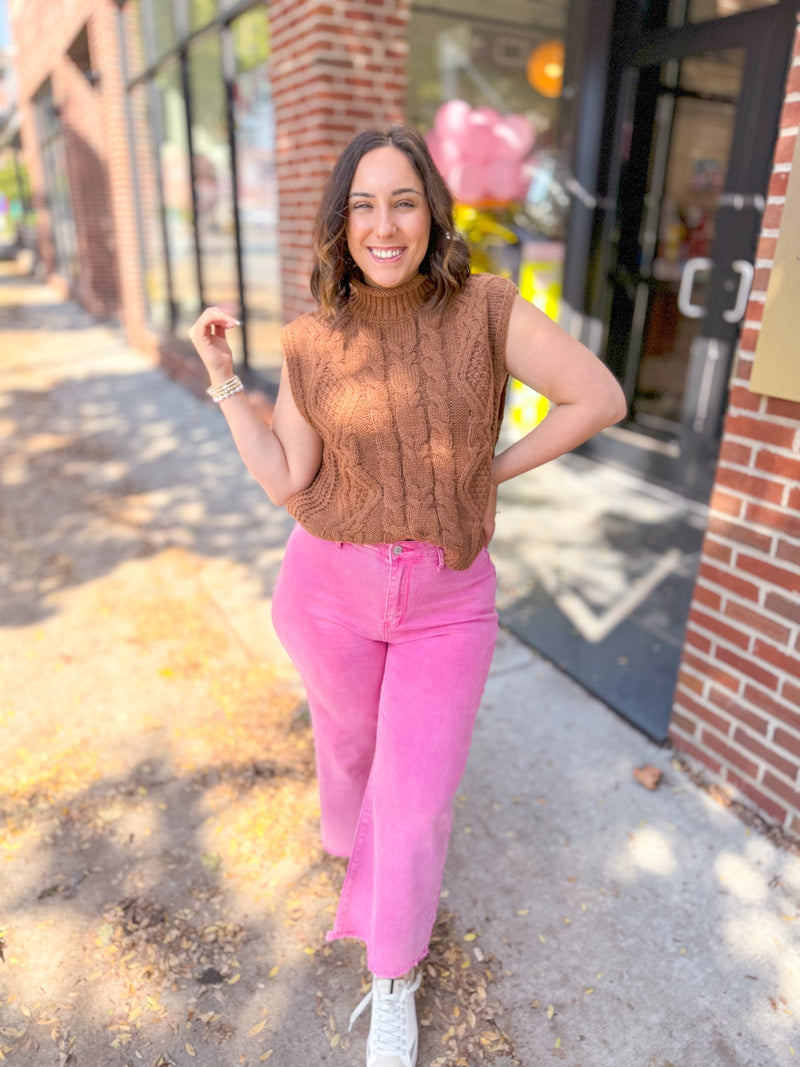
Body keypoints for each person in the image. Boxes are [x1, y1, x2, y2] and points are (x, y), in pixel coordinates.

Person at [188, 122, 626, 1067]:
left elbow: (598, 397)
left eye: (403, 201)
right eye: (363, 206)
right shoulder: (313, 338)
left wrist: (485, 475)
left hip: (447, 599)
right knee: (347, 751)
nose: (384, 226)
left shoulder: (490, 310)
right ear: (341, 225)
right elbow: (284, 475)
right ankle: (355, 855)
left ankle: (393, 975)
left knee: (418, 797)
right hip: (327, 587)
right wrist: (226, 379)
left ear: (432, 211)